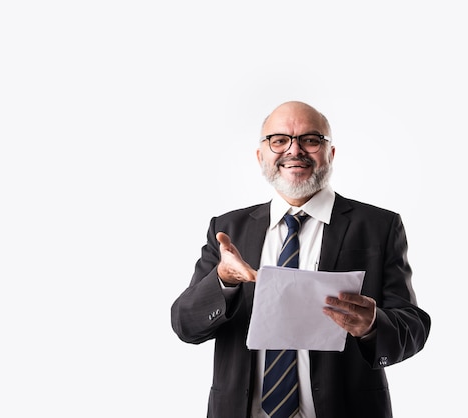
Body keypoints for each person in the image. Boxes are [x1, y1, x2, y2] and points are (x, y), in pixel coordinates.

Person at [171, 101, 431, 418]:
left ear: (330, 154)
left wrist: (372, 326)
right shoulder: (228, 230)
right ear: (260, 155)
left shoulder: (379, 226)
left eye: (310, 139)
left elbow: (412, 327)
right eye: (279, 140)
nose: (295, 150)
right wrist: (223, 281)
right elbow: (185, 324)